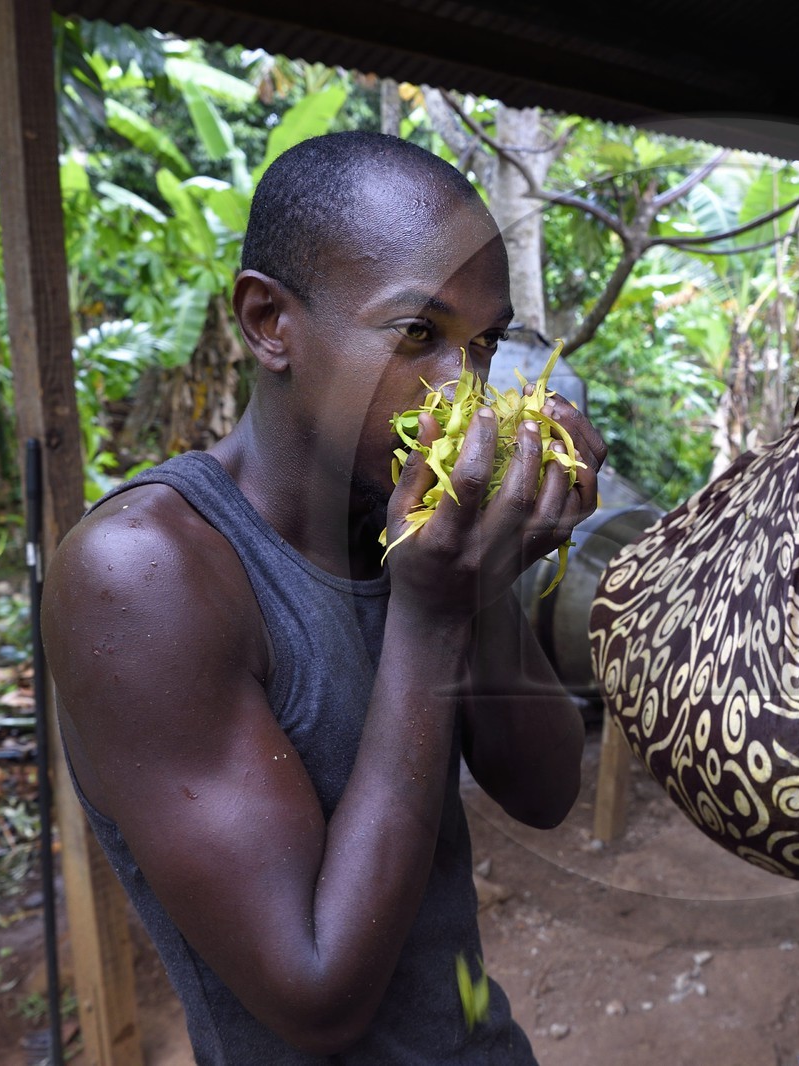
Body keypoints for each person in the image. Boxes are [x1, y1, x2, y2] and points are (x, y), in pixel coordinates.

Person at [42, 131, 606, 1064]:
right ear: (270, 322)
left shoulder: (399, 520)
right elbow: (317, 994)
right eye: (419, 335)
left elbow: (544, 791)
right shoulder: (145, 573)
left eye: (487, 345)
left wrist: (482, 583)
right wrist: (429, 615)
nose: (462, 391)